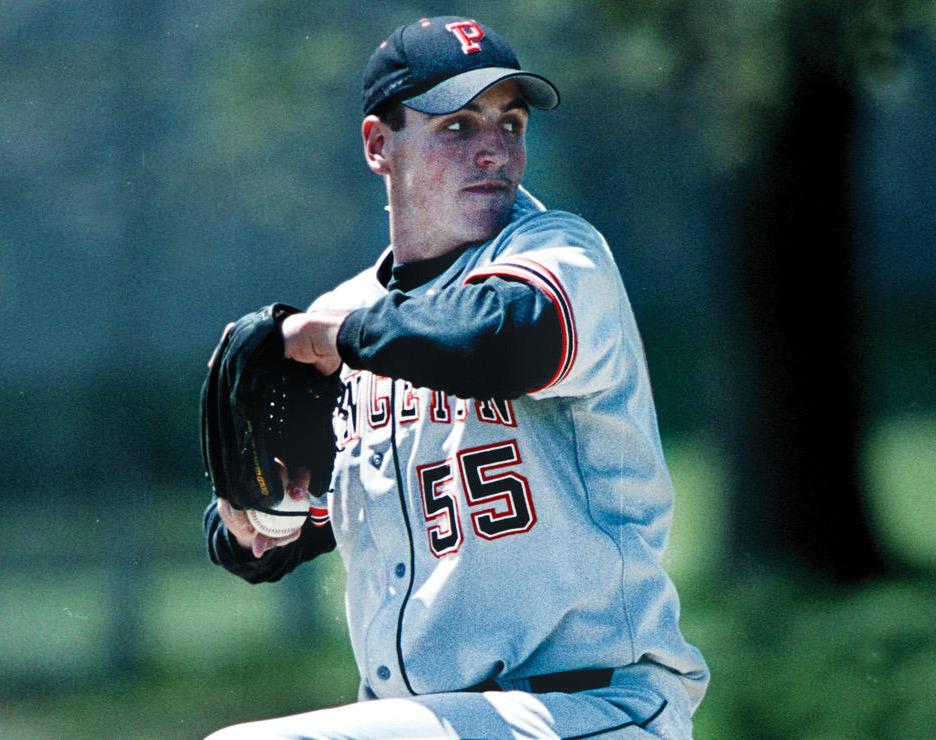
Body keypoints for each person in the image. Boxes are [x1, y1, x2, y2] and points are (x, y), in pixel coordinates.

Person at [204, 15, 708, 739]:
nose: (493, 151)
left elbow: (502, 341)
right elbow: (295, 528)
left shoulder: (562, 259)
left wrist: (332, 336)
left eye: (511, 123)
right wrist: (258, 520)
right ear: (380, 145)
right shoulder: (350, 318)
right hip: (437, 721)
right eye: (457, 126)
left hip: (594, 710)